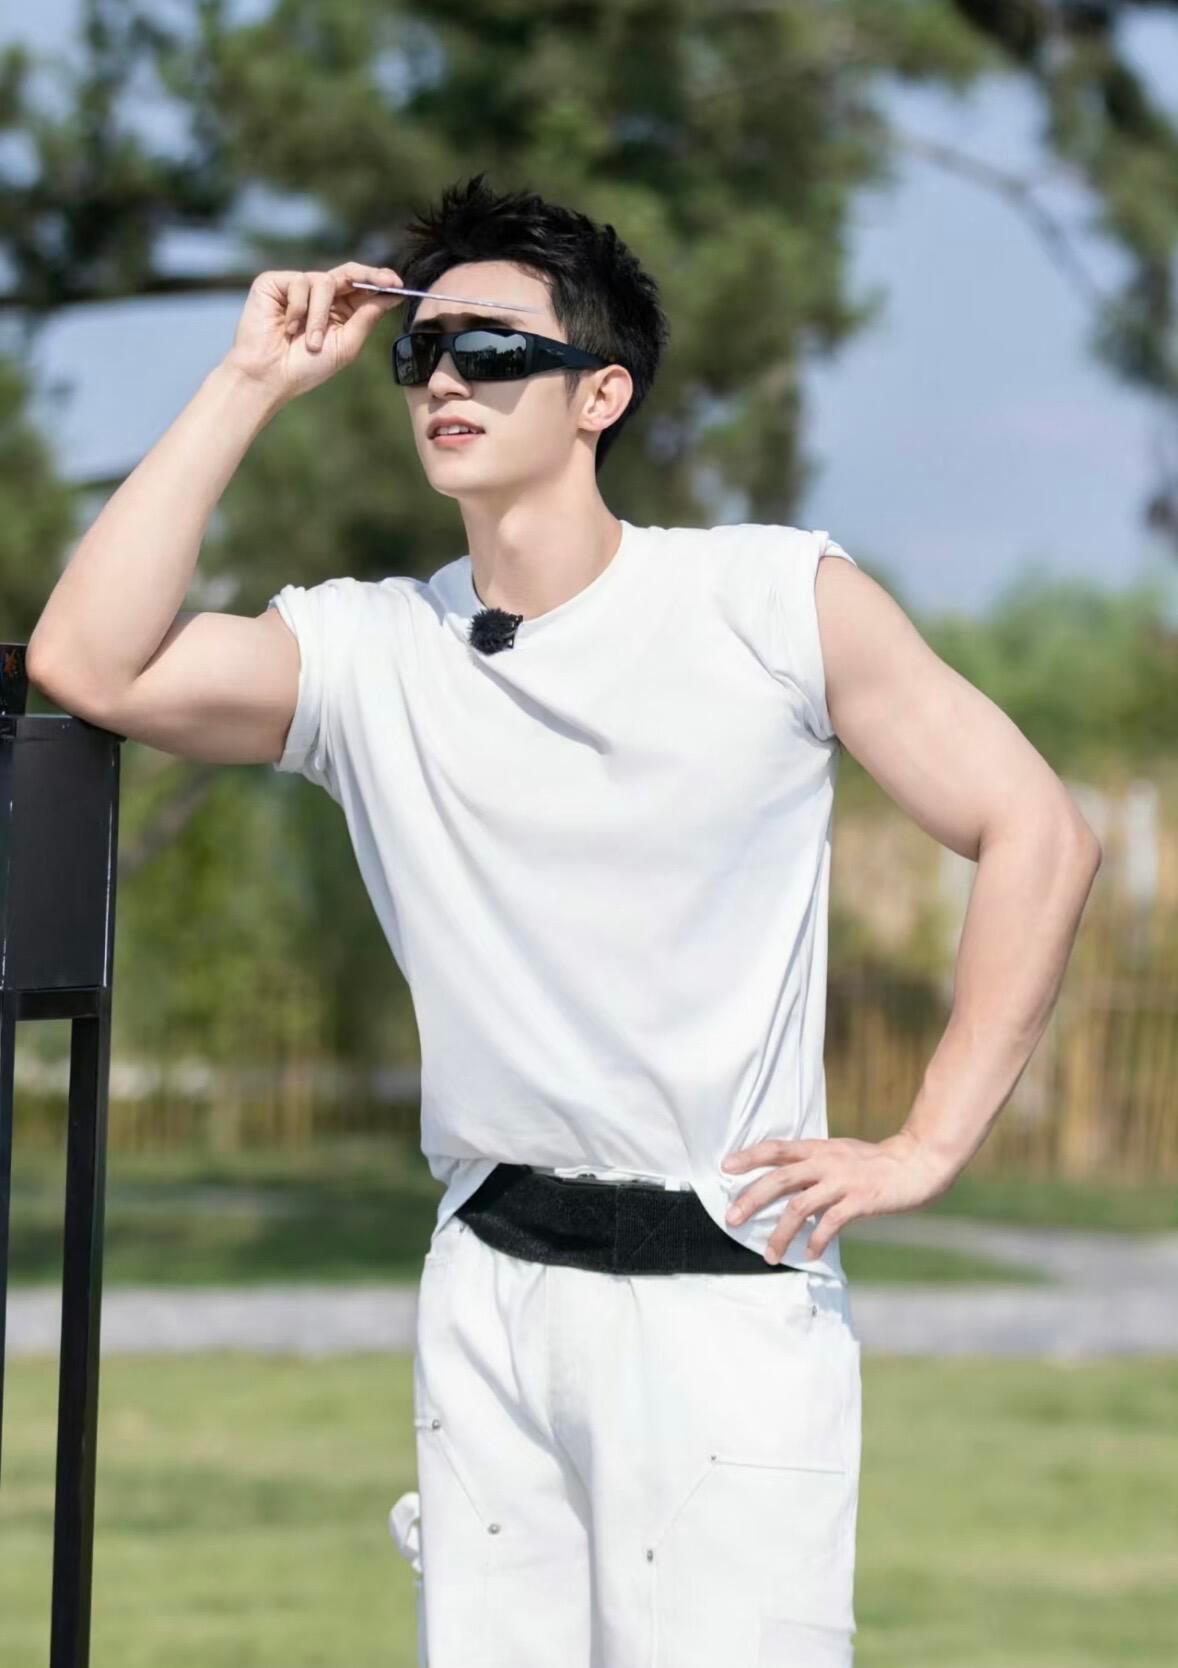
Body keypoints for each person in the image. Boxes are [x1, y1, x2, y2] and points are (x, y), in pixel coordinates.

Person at [26, 174, 1103, 1667]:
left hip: (724, 1300)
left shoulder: (769, 600)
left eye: (494, 351)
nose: (445, 381)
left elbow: (1038, 830)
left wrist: (926, 1145)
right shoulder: (369, 648)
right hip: (489, 1289)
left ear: (602, 394)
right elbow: (89, 663)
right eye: (426, 351)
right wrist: (250, 380)